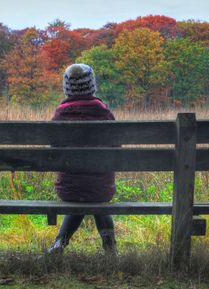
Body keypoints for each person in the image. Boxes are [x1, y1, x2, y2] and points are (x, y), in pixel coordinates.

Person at [48, 63, 117, 255]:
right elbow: (116, 148)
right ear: (92, 85)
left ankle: (59, 244)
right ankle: (110, 248)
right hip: (101, 188)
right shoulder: (104, 113)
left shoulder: (60, 115)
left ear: (67, 87)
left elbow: (54, 150)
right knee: (95, 196)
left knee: (81, 194)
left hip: (68, 188)